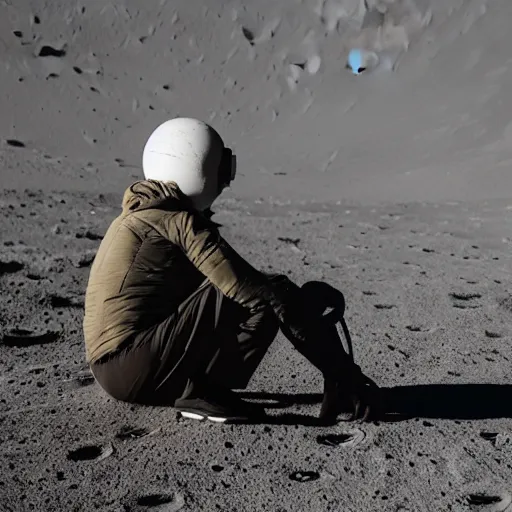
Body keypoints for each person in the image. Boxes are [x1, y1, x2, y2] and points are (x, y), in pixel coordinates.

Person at [83, 117, 378, 424]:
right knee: (259, 294)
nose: (226, 181)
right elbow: (253, 291)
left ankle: (208, 389)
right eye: (222, 170)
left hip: (115, 368)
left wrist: (298, 302)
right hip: (132, 367)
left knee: (264, 290)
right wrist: (338, 366)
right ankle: (206, 392)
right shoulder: (177, 222)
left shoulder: (141, 216)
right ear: (195, 169)